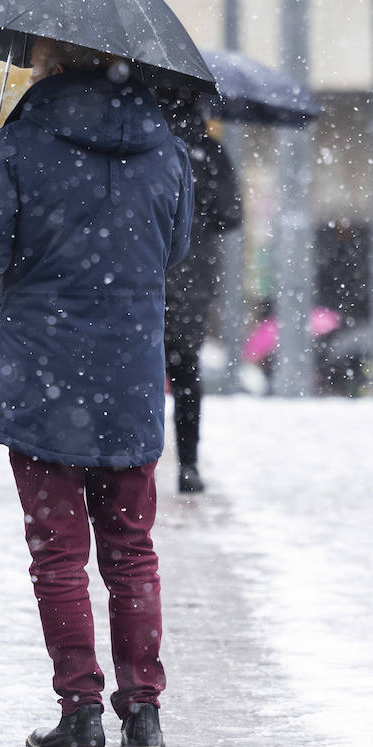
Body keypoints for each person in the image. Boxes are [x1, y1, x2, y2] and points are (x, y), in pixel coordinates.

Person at [0, 37, 193, 747]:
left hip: (45, 379)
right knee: (131, 550)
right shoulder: (165, 148)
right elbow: (172, 249)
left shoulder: (22, 143)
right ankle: (144, 712)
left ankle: (81, 711)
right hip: (131, 379)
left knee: (58, 554)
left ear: (47, 60)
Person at [160, 101, 242, 493]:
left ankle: (139, 461)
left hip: (147, 272)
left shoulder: (149, 142)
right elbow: (232, 215)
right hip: (193, 277)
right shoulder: (208, 151)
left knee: (139, 369)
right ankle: (188, 465)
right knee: (186, 371)